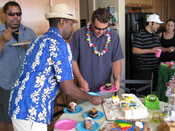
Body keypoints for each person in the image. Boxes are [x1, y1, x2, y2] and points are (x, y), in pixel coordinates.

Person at [8, 3, 103, 131]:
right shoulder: (59, 44)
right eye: (71, 24)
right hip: (30, 110)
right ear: (62, 22)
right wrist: (91, 98)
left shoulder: (39, 39)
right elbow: (68, 88)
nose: (72, 28)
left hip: (20, 103)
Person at [0, 1, 36, 131]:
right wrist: (3, 41)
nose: (16, 17)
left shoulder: (30, 33)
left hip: (26, 85)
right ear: (4, 15)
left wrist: (30, 50)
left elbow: (37, 57)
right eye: (12, 14)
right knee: (7, 121)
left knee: (25, 119)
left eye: (19, 14)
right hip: (6, 85)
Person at [70, 8, 123, 92]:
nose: (101, 32)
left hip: (105, 87)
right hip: (83, 87)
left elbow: (116, 60)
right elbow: (73, 60)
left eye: (105, 28)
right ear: (91, 22)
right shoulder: (78, 35)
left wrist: (117, 79)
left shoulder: (114, 36)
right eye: (98, 28)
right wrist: (80, 80)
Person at [132, 14, 164, 95]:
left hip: (155, 68)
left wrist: (165, 49)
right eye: (157, 24)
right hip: (143, 70)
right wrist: (151, 50)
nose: (159, 26)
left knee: (153, 92)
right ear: (150, 23)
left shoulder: (156, 35)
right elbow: (135, 50)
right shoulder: (140, 34)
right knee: (143, 93)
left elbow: (158, 48)